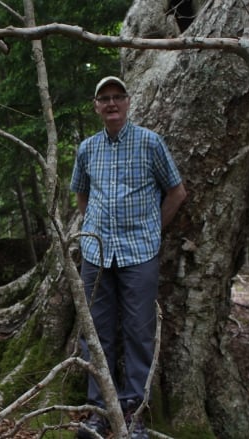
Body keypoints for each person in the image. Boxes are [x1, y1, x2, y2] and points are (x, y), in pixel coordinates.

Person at [70, 76, 187, 439]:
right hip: (96, 255)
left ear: (128, 101)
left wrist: (153, 229)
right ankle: (98, 413)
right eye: (104, 98)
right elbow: (81, 195)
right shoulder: (87, 149)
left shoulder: (151, 143)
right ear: (96, 106)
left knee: (138, 333)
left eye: (117, 97)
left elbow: (177, 192)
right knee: (96, 335)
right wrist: (95, 229)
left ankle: (134, 415)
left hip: (140, 253)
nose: (111, 104)